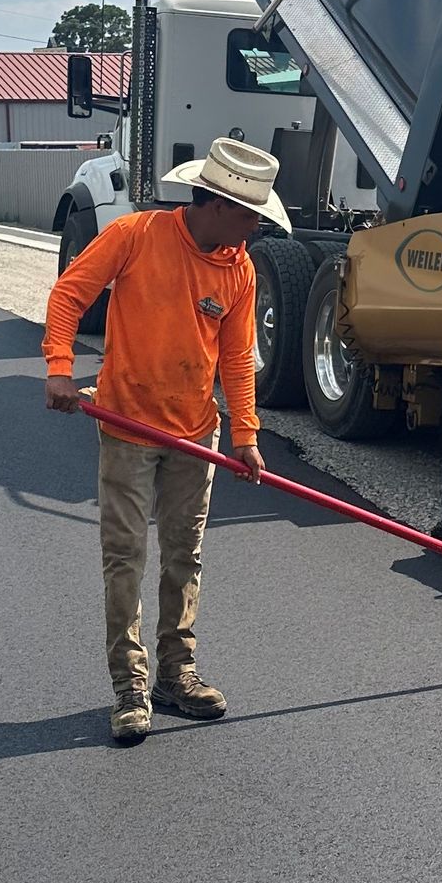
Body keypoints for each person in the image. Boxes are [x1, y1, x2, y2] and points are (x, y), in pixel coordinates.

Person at [43, 137, 283, 744]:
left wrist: (246, 437)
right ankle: (129, 685)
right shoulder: (137, 235)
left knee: (185, 557)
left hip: (195, 434)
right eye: (250, 215)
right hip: (127, 426)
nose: (255, 227)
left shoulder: (240, 270)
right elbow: (70, 293)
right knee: (125, 558)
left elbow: (236, 360)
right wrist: (58, 367)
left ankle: (177, 674)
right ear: (218, 203)